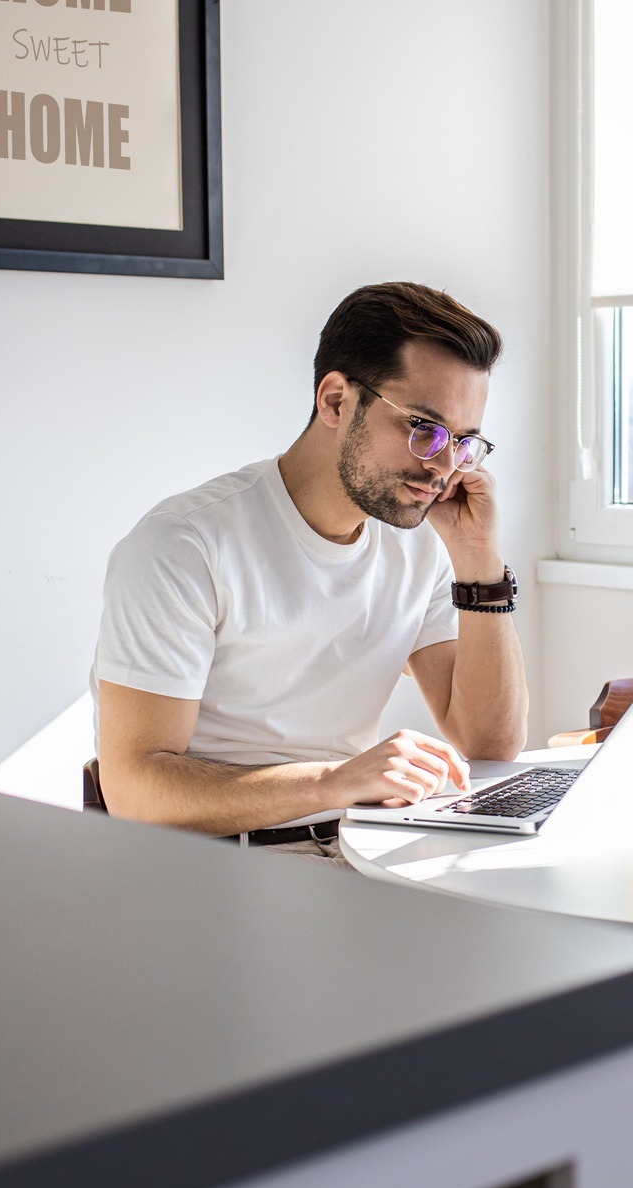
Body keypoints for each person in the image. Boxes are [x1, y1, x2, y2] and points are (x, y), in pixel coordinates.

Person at [92, 282, 528, 862]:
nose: (443, 466)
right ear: (336, 401)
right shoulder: (184, 544)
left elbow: (490, 742)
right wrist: (334, 782)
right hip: (211, 870)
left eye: (464, 441)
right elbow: (133, 790)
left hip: (360, 852)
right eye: (423, 427)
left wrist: (478, 557)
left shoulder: (420, 544)